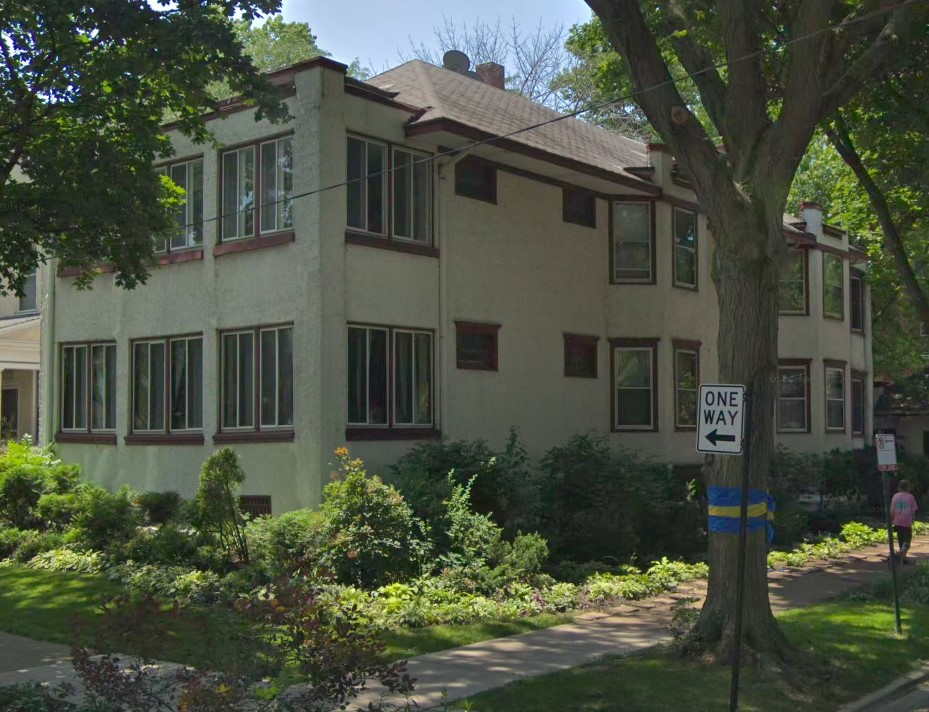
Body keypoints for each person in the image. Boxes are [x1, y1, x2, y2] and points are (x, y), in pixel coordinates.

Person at [891, 479, 919, 564]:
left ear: (899, 487)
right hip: (906, 522)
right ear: (908, 487)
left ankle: (903, 557)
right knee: (907, 541)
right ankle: (902, 554)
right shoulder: (910, 497)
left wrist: (891, 520)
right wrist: (913, 520)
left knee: (900, 539)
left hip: (897, 521)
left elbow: (892, 510)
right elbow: (913, 510)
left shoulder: (895, 496)